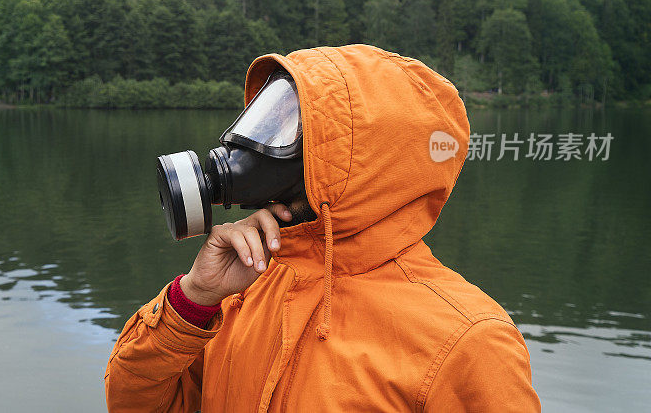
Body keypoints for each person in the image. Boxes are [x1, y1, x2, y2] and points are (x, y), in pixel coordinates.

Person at [104, 44, 541, 412]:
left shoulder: (470, 343)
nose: (254, 143)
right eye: (266, 118)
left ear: (362, 163)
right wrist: (194, 300)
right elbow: (134, 404)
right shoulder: (245, 285)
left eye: (289, 129)